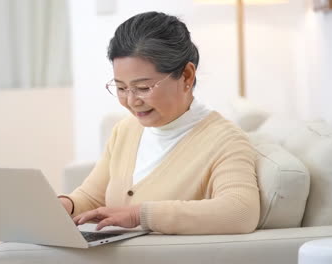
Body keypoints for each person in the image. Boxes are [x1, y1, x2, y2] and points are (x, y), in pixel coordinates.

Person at [59, 11, 260, 235]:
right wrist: (65, 205)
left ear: (186, 75)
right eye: (121, 88)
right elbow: (91, 196)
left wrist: (140, 215)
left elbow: (240, 212)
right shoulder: (126, 130)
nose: (132, 101)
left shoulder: (225, 141)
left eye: (143, 88)